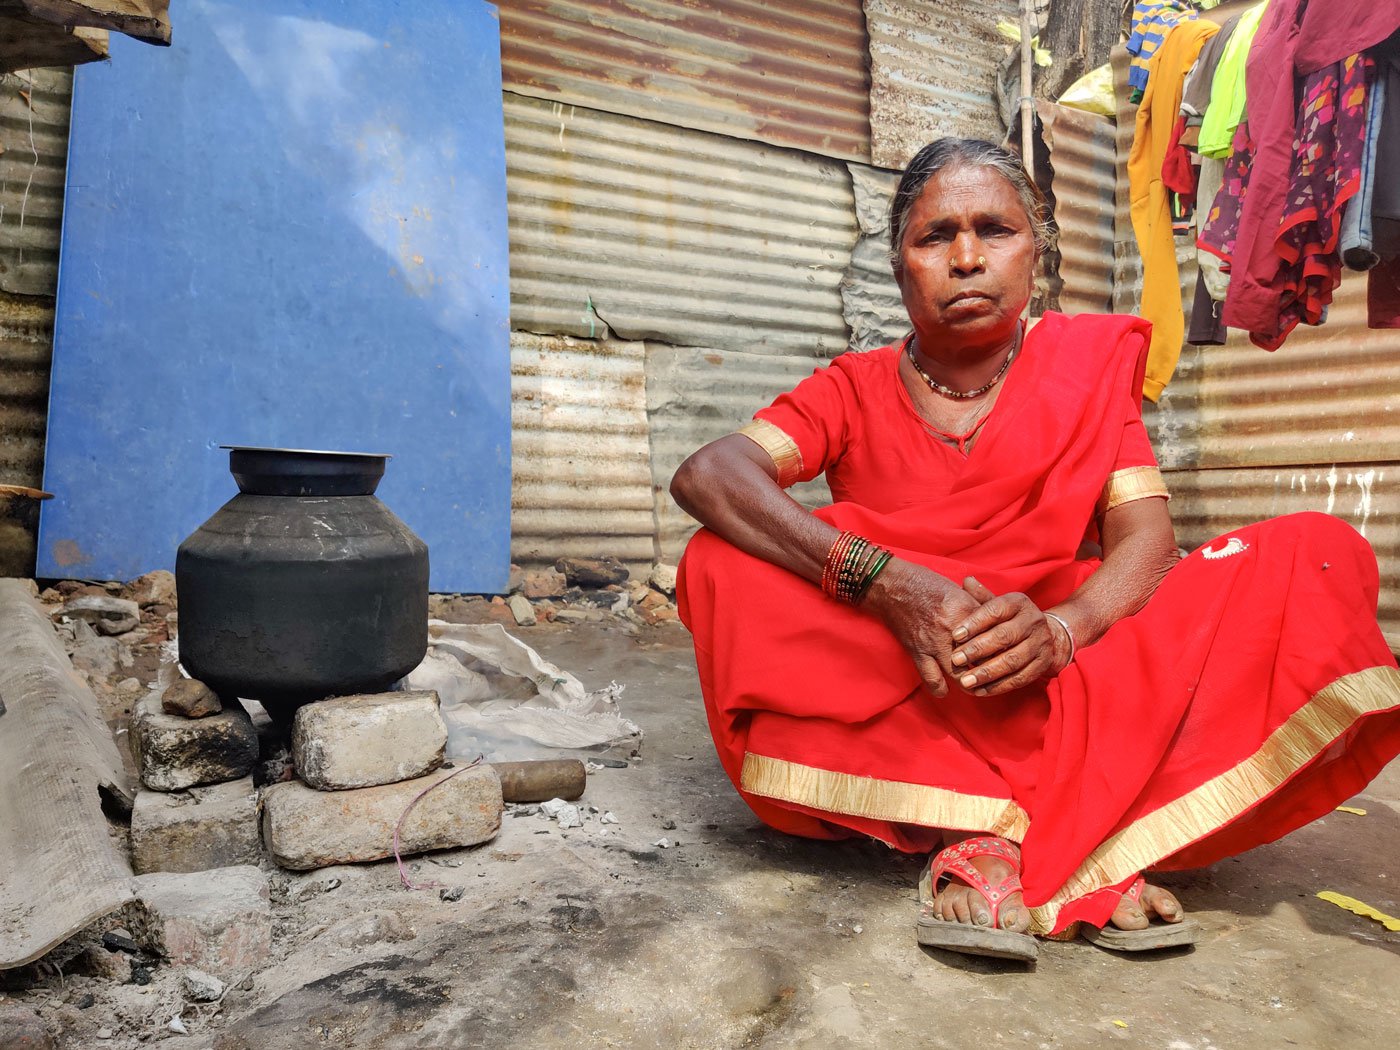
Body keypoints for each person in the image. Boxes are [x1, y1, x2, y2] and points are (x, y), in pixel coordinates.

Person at [670, 137, 1400, 963]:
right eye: (935, 236)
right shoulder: (853, 385)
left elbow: (1146, 542)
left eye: (995, 229)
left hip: (1065, 667)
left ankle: (1011, 832)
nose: (968, 257)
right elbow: (711, 474)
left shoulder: (1081, 367)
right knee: (719, 563)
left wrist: (1064, 627)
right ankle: (1060, 832)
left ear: (1037, 250)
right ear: (900, 263)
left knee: (1317, 551)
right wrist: (891, 587)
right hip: (919, 671)